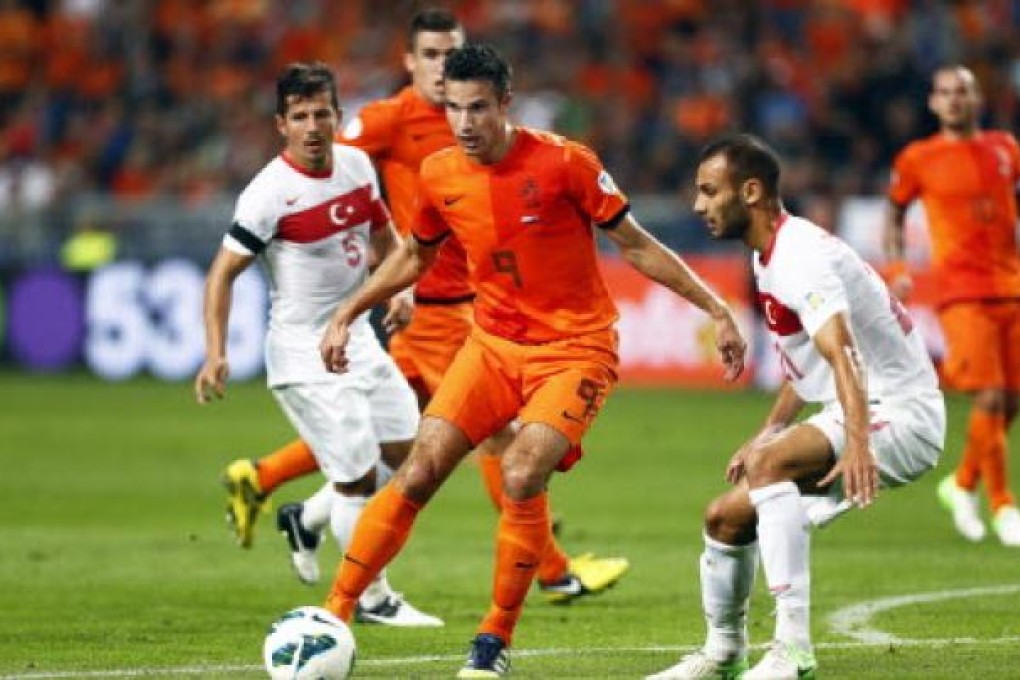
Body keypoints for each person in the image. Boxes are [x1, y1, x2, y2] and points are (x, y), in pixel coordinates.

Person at [317, 43, 746, 678]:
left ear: (505, 104)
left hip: (575, 350)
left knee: (520, 473)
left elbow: (635, 244)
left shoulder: (565, 162)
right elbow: (415, 256)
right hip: (490, 345)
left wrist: (716, 307)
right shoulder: (439, 173)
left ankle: (493, 640)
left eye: (479, 109)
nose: (465, 123)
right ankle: (334, 615)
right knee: (416, 472)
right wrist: (350, 309)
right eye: (455, 108)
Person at [221, 7, 631, 605]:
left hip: (467, 304)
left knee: (397, 443)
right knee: (492, 441)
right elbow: (330, 165)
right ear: (410, 62)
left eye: (451, 53)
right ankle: (551, 571)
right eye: (431, 56)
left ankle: (273, 489)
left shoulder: (468, 118)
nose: (443, 68)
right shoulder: (385, 120)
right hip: (430, 307)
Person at [647, 134, 946, 680]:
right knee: (724, 519)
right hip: (855, 404)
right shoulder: (770, 256)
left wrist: (857, 442)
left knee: (771, 470)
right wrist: (769, 431)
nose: (698, 205)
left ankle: (793, 649)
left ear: (752, 192)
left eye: (710, 191)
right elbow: (806, 363)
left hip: (902, 413)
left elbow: (844, 352)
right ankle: (724, 653)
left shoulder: (801, 257)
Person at [194, 62, 441, 627]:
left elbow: (382, 234)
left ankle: (306, 520)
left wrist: (399, 289)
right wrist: (216, 352)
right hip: (304, 352)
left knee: (412, 457)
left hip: (359, 338)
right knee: (356, 475)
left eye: (321, 114)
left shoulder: (355, 165)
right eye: (299, 116)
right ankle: (372, 597)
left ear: (337, 116)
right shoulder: (268, 194)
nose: (312, 126)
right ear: (281, 124)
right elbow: (221, 274)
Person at [884, 64, 1020, 547]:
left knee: (1012, 400)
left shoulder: (1006, 149)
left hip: (1011, 286)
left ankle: (962, 484)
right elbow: (895, 213)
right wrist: (898, 269)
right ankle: (1004, 506)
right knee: (990, 395)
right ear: (933, 103)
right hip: (961, 292)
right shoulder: (919, 158)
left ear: (977, 98)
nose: (954, 100)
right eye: (945, 93)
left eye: (962, 91)